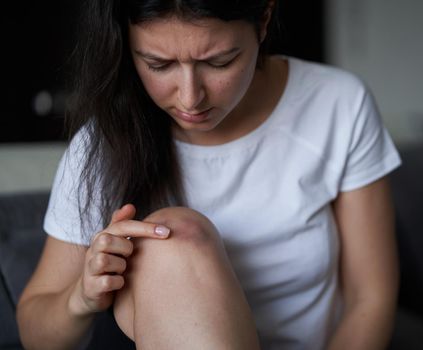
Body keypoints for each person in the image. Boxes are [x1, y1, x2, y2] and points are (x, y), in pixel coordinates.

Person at [16, 0, 402, 349]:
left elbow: (370, 298)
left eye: (219, 62)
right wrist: (82, 296)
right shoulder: (106, 143)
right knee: (171, 234)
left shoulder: (338, 104)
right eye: (158, 65)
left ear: (263, 20)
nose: (190, 98)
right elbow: (36, 334)